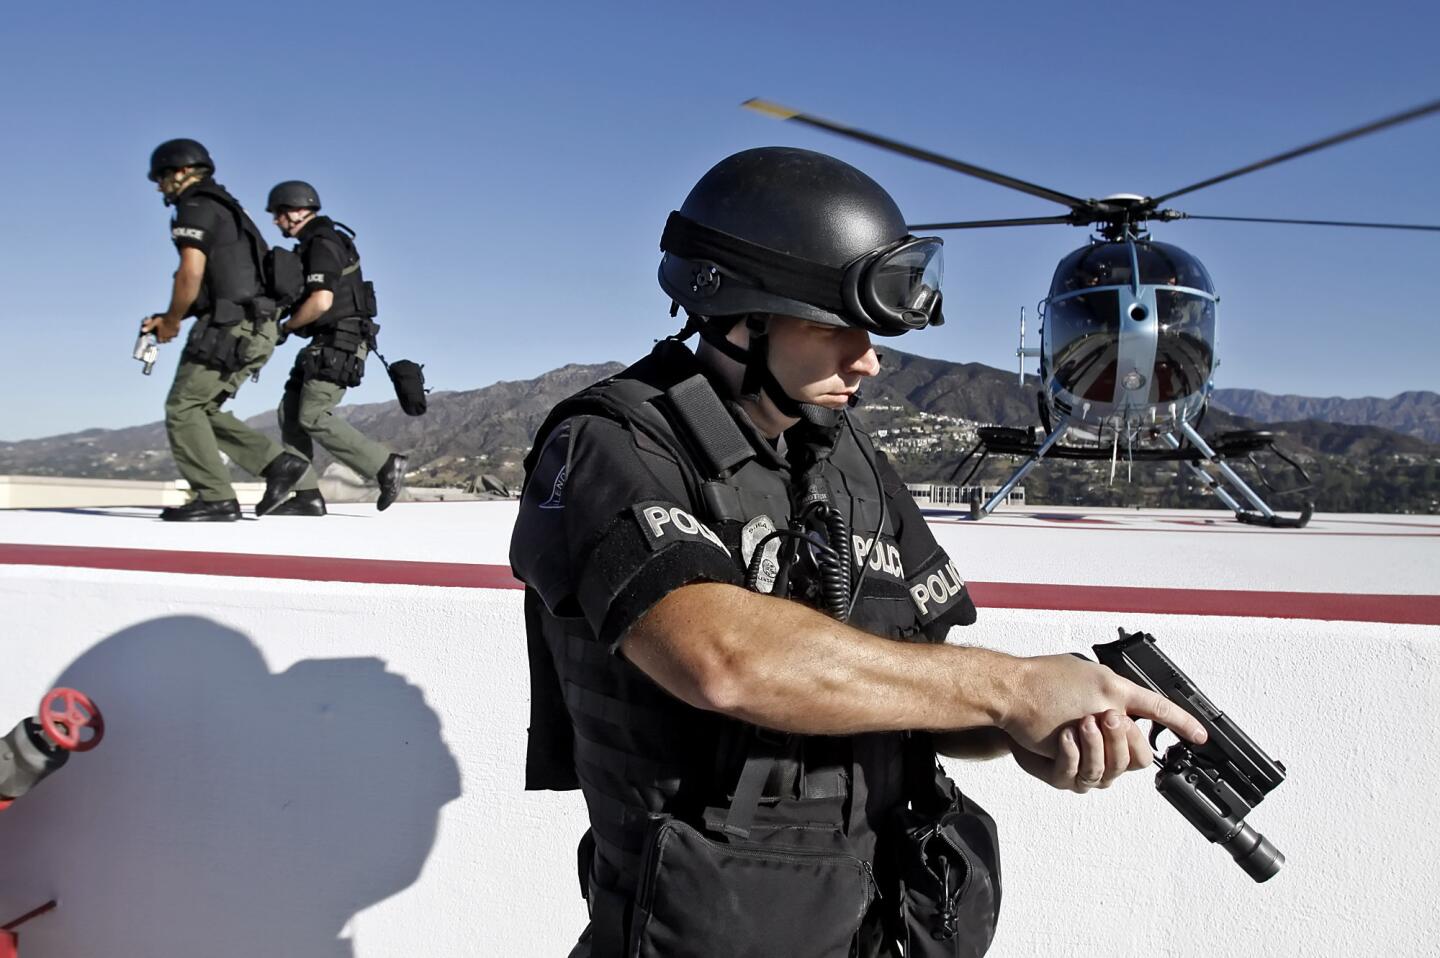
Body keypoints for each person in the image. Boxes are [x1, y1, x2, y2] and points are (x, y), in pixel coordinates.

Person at [509, 147, 1207, 958]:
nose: (869, 358)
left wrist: (1030, 731)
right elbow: (720, 657)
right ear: (743, 315)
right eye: (836, 327)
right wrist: (1012, 687)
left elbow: (918, 681)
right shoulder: (612, 442)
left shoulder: (847, 460)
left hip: (875, 923)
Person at [141, 139, 309, 521]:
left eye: (162, 176)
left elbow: (191, 272)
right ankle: (278, 465)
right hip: (257, 328)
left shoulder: (196, 205)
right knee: (202, 407)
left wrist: (170, 321)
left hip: (231, 329)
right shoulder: (228, 210)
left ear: (181, 172)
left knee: (182, 407)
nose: (159, 186)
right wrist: (171, 316)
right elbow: (223, 284)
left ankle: (215, 496)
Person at [263, 181, 406, 515]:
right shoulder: (315, 242)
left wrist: (286, 327)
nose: (275, 221)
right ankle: (306, 495)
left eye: (279, 213)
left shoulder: (323, 242)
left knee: (312, 414)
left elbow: (322, 300)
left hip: (341, 340)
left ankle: (385, 465)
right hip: (326, 341)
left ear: (298, 211)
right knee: (290, 412)